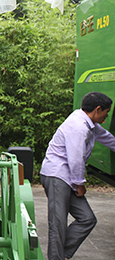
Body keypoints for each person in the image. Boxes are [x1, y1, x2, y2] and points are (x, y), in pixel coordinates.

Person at [40, 91, 115, 260]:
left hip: (68, 178)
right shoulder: (78, 127)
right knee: (58, 223)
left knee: (87, 218)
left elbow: (108, 139)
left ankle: (62, 254)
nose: (107, 116)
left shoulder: (90, 124)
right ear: (97, 110)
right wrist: (80, 183)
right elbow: (75, 158)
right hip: (57, 175)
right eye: (106, 112)